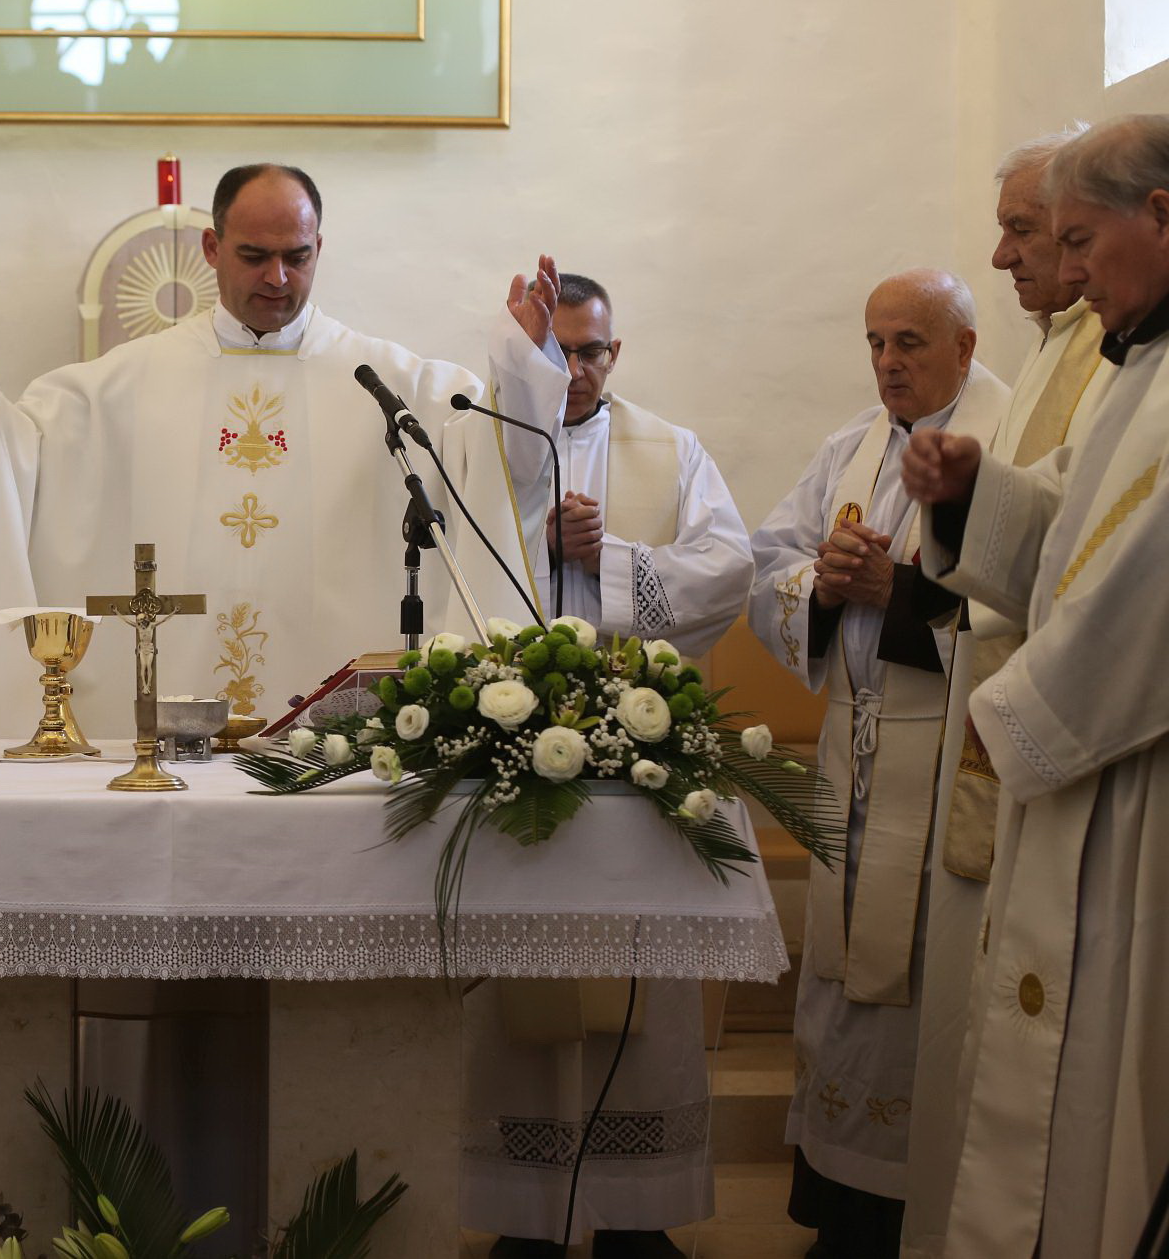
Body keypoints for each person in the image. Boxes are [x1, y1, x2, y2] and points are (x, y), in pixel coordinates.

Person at [0, 162, 534, 742]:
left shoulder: (397, 387)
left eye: (297, 256)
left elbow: (496, 462)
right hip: (167, 738)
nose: (277, 277)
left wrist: (526, 374)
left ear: (321, 250)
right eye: (254, 256)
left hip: (340, 750)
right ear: (211, 249)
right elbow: (12, 469)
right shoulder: (118, 387)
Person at [906, 112, 1169, 1259]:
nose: (1062, 274)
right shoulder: (1137, 363)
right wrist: (976, 489)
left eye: (1077, 242)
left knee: (1110, 1072)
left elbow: (1146, 583)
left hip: (1136, 773)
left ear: (1157, 215)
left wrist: (1012, 711)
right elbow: (1069, 512)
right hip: (1097, 761)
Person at [462, 265, 753, 1258]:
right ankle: (529, 1214)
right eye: (555, 352)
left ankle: (635, 1212)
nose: (575, 369)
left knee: (640, 987)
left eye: (590, 350)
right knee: (524, 988)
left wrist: (613, 559)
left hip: (632, 763)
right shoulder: (482, 443)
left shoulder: (668, 450)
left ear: (613, 352)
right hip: (511, 764)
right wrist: (538, 549)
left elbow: (727, 569)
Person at [748, 269, 1009, 1258]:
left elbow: (1022, 614)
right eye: (874, 342)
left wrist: (892, 592)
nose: (887, 362)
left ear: (965, 347)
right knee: (836, 997)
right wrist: (818, 588)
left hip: (946, 772)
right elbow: (764, 561)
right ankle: (839, 1219)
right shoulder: (846, 449)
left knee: (916, 1004)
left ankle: (909, 1224)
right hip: (851, 762)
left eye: (908, 341)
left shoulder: (1009, 443)